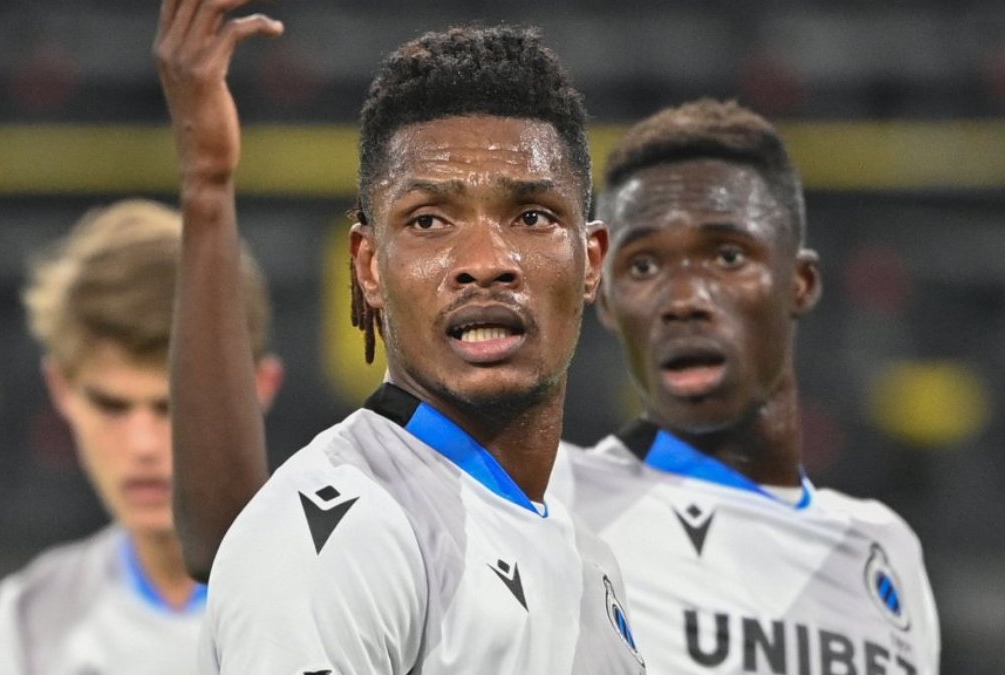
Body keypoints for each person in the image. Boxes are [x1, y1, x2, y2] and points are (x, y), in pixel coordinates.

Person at [154, 0, 645, 672]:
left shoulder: (592, 562)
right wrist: (207, 187)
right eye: (429, 221)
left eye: (531, 216)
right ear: (369, 267)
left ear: (590, 262)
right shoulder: (344, 532)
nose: (486, 260)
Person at [548, 99, 940, 673]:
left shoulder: (886, 547)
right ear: (605, 300)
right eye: (643, 266)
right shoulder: (554, 502)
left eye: (728, 256)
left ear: (799, 283)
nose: (684, 300)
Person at [0, 199, 283, 674]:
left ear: (260, 390)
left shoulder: (357, 593)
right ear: (61, 390)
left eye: (176, 408)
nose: (142, 445)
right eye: (111, 406)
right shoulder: (30, 622)